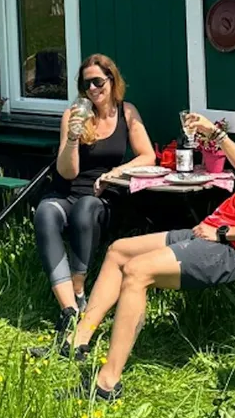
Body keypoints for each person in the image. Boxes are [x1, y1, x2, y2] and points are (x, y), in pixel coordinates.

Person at [61, 88, 235, 400]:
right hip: (212, 234)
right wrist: (216, 134)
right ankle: (79, 339)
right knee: (119, 250)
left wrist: (224, 233)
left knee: (137, 271)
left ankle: (106, 383)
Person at [30, 53, 156, 352]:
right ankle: (70, 310)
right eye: (86, 85)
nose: (93, 90)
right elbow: (67, 172)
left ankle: (79, 291)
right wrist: (73, 137)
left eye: (98, 82)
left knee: (86, 209)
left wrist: (115, 173)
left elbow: (147, 155)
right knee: (46, 213)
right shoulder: (74, 115)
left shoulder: (126, 112)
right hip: (67, 190)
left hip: (102, 194)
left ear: (112, 81)